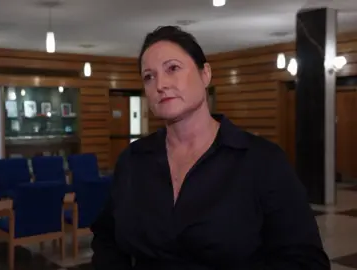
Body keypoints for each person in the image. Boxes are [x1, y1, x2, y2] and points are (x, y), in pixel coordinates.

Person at [90, 26, 330, 270]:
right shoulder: (133, 160)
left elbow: (306, 261)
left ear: (205, 74)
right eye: (148, 77)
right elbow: (107, 237)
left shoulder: (262, 161)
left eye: (172, 68)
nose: (160, 84)